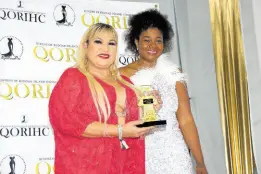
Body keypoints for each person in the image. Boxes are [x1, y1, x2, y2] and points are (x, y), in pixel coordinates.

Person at [48, 23, 155, 174]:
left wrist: (150, 108)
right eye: (98, 41)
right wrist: (119, 130)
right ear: (85, 46)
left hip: (125, 164)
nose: (105, 49)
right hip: (86, 166)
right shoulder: (73, 78)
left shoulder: (126, 82)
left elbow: (133, 122)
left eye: (111, 43)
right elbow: (69, 122)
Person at [120, 9, 208, 174]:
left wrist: (200, 161)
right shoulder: (121, 75)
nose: (153, 46)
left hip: (175, 155)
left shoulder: (174, 74)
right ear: (136, 41)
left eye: (158, 41)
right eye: (147, 40)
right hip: (140, 153)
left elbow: (186, 120)